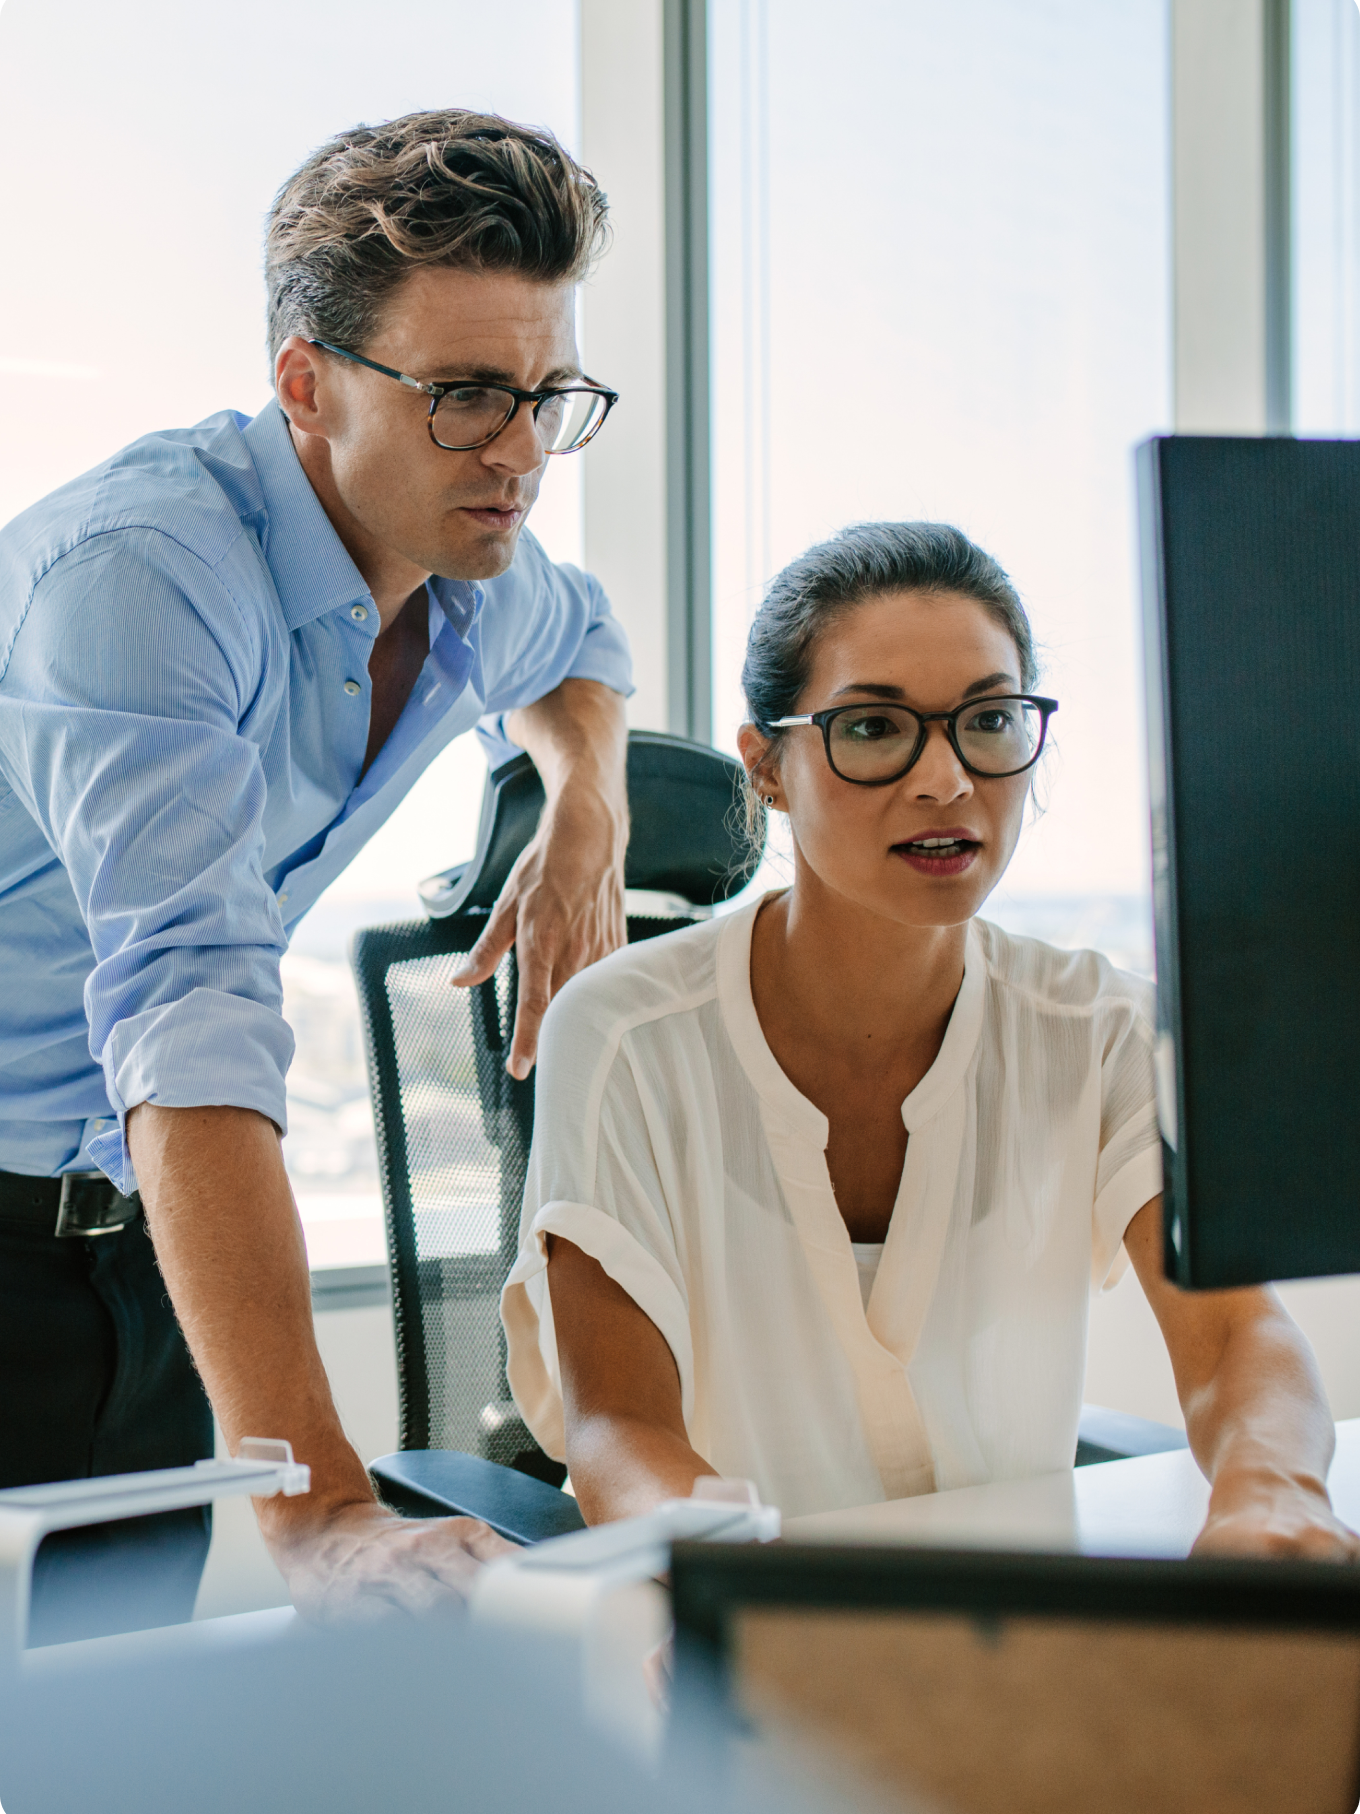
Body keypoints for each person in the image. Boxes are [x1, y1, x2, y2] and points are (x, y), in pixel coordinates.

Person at [0, 108, 635, 1637]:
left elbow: (589, 646)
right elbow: (190, 1005)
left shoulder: (476, 574)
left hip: (147, 1246)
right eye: (471, 396)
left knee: (119, 1713)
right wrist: (324, 1506)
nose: (523, 452)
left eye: (550, 396)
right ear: (307, 383)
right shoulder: (143, 580)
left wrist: (586, 808)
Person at [503, 521, 1359, 1559]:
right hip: (733, 1641)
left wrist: (1272, 1490)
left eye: (989, 720)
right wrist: (754, 1603)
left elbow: (1234, 1338)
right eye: (873, 728)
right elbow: (619, 1427)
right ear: (768, 764)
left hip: (1016, 1642)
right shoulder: (625, 1032)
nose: (946, 778)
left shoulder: (1100, 1028)